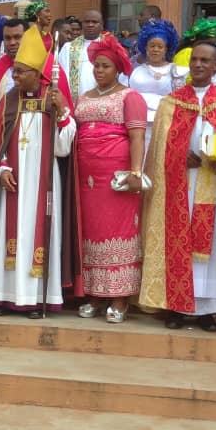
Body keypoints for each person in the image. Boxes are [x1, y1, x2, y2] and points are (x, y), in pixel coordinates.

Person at [141, 42, 216, 331]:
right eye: (194, 60)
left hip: (215, 185)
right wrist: (177, 155)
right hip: (180, 184)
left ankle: (207, 310)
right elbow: (157, 150)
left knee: (210, 247)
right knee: (177, 241)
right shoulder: (171, 103)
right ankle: (175, 305)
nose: (198, 65)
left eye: (205, 60)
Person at [0, 25, 79, 319]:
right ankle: (5, 296)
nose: (15, 76)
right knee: (12, 235)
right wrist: (2, 169)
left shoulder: (54, 97)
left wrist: (61, 114)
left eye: (21, 71)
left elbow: (63, 149)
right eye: (15, 71)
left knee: (39, 234)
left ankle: (35, 299)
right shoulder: (8, 100)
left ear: (37, 72)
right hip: (14, 182)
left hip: (44, 182)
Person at [74, 35, 146, 323]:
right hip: (85, 178)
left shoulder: (130, 97)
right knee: (91, 232)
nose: (99, 71)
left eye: (105, 66)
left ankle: (119, 297)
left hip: (116, 179)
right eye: (96, 66)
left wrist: (136, 172)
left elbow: (137, 136)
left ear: (117, 68)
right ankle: (94, 293)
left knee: (117, 231)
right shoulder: (84, 97)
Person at [129, 19, 186, 146]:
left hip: (166, 125)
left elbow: (180, 101)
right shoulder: (137, 71)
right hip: (139, 126)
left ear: (166, 49)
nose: (156, 50)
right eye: (152, 46)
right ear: (146, 47)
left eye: (160, 47)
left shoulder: (176, 71)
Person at [58, 9, 105, 102]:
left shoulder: (110, 46)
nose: (90, 24)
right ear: (82, 25)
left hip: (102, 103)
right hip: (74, 103)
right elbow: (60, 77)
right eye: (87, 22)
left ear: (102, 25)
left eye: (94, 22)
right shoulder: (68, 48)